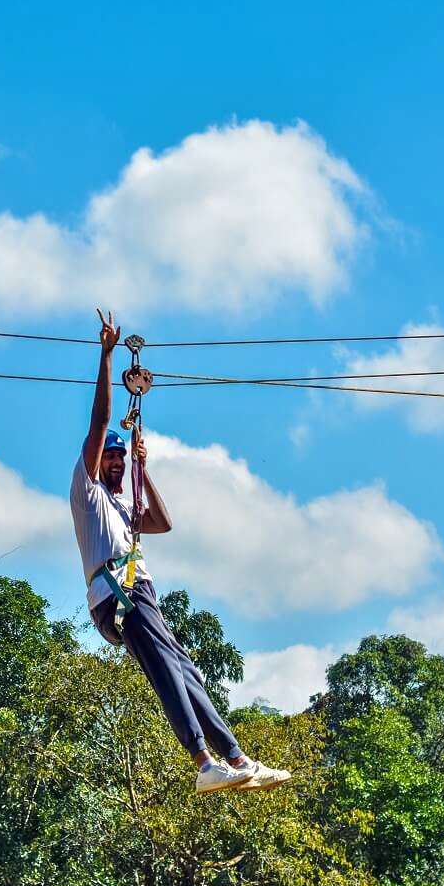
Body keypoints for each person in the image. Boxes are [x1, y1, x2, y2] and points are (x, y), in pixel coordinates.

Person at [69, 309, 293, 795]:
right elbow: (101, 419)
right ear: (95, 460)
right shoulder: (87, 493)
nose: (115, 462)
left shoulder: (123, 505)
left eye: (119, 457)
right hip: (119, 596)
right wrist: (106, 356)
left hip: (139, 593)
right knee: (168, 668)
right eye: (110, 456)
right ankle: (203, 760)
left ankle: (235, 756)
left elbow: (162, 522)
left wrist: (143, 470)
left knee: (186, 669)